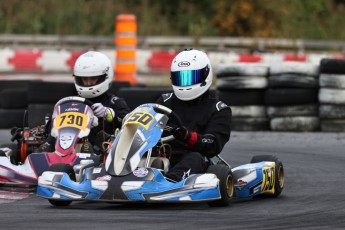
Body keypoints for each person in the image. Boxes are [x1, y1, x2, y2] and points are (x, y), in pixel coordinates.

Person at [155, 48, 232, 182]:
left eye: (191, 77)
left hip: (192, 158)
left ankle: (170, 182)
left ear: (205, 75)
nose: (185, 83)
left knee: (195, 158)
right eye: (180, 78)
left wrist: (189, 137)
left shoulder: (219, 109)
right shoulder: (164, 102)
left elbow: (213, 144)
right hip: (162, 154)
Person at [39, 51, 131, 154]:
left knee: (102, 135)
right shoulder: (71, 102)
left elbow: (129, 123)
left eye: (93, 79)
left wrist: (109, 113)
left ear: (105, 76)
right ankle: (44, 153)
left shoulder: (114, 102)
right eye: (84, 79)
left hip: (100, 153)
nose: (88, 83)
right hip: (68, 148)